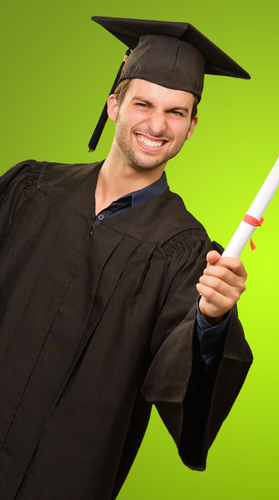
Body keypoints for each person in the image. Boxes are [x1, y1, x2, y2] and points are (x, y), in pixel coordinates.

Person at [0, 16, 253, 500]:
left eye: (177, 112)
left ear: (192, 125)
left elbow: (187, 389)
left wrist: (212, 319)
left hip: (65, 475)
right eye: (144, 103)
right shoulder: (31, 189)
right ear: (114, 104)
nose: (158, 125)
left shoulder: (185, 253)